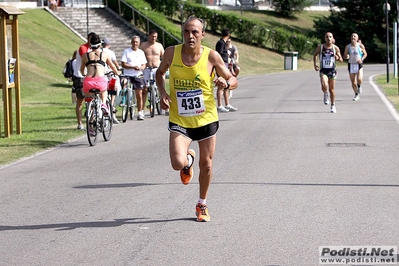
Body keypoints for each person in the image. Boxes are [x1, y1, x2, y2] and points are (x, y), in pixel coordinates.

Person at [155, 16, 238, 222]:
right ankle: (187, 160)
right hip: (180, 119)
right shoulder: (171, 53)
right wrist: (163, 93)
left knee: (207, 165)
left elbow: (233, 79)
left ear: (203, 34)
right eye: (186, 32)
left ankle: (202, 203)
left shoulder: (212, 56)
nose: (190, 36)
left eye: (195, 32)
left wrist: (226, 84)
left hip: (206, 119)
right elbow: (159, 73)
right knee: (177, 163)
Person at [80, 33, 120, 131]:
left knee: (89, 99)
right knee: (104, 90)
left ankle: (90, 123)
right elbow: (112, 66)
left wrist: (85, 74)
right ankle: (103, 104)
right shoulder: (104, 55)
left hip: (88, 82)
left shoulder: (85, 56)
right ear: (100, 44)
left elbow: (82, 70)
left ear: (90, 44)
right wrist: (117, 72)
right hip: (100, 81)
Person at [313, 32, 343, 113]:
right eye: (327, 37)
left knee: (332, 90)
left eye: (330, 37)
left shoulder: (335, 48)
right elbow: (315, 55)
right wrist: (315, 64)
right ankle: (325, 94)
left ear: (332, 38)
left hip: (332, 70)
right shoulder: (321, 47)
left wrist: (337, 58)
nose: (329, 38)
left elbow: (341, 60)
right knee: (324, 84)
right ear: (325, 38)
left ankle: (333, 105)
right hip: (323, 70)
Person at [73, 32, 96, 130]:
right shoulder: (83, 48)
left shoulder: (94, 49)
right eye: (91, 39)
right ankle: (80, 123)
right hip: (80, 76)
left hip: (90, 76)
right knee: (81, 100)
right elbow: (86, 59)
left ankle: (91, 121)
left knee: (92, 98)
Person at [121, 36, 147, 120]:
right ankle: (123, 100)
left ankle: (140, 112)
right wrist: (132, 67)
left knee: (139, 94)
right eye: (133, 42)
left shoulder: (141, 52)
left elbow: (144, 64)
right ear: (131, 42)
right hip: (128, 74)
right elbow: (123, 64)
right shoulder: (126, 51)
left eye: (136, 42)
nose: (135, 43)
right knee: (123, 84)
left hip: (138, 75)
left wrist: (142, 68)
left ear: (139, 43)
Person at [139, 29, 165, 113]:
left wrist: (164, 68)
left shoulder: (159, 46)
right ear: (149, 36)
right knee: (144, 89)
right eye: (152, 36)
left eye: (155, 37)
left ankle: (165, 105)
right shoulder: (143, 45)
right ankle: (141, 109)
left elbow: (164, 57)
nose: (154, 38)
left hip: (157, 68)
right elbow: (138, 56)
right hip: (146, 68)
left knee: (162, 87)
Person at [215, 28, 238, 113]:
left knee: (226, 85)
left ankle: (227, 104)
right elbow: (219, 55)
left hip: (225, 65)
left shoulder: (223, 43)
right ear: (229, 35)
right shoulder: (221, 43)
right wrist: (221, 67)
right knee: (221, 84)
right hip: (222, 65)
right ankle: (220, 105)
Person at [343, 33, 367, 101]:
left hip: (358, 64)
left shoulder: (360, 46)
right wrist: (346, 56)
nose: (353, 37)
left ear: (357, 38)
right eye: (352, 36)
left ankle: (359, 87)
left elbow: (365, 54)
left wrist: (361, 59)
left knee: (359, 79)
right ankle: (356, 94)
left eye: (354, 36)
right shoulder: (348, 47)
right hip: (351, 64)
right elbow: (344, 55)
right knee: (353, 82)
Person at [102, 37, 121, 124]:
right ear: (108, 44)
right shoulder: (110, 52)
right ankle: (112, 105)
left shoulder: (99, 52)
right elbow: (114, 63)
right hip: (110, 74)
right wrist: (118, 69)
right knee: (114, 89)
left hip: (101, 74)